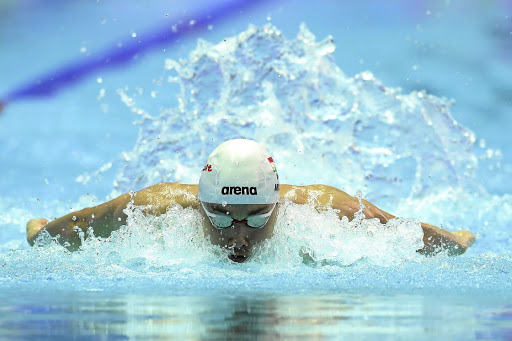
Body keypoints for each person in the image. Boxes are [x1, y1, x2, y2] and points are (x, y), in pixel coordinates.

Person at [26, 139, 475, 262]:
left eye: (255, 220)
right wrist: (39, 232)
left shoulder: (322, 206)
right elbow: (75, 226)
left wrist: (453, 240)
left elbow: (398, 228)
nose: (238, 237)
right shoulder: (155, 206)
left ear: (277, 205)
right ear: (199, 206)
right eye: (220, 220)